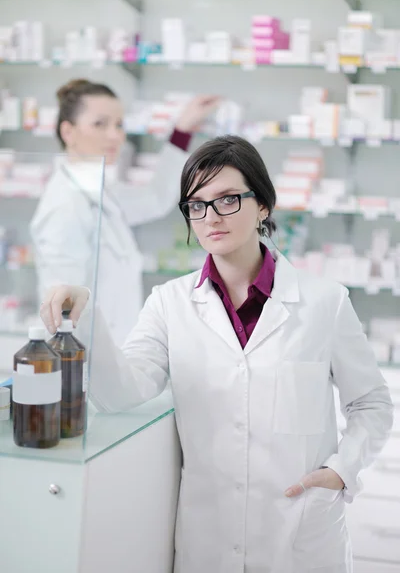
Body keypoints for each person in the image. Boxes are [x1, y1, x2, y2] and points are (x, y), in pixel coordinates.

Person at [40, 135, 393, 573]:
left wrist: (342, 471)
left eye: (228, 200)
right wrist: (85, 312)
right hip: (208, 539)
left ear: (262, 205)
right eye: (197, 204)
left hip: (301, 534)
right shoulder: (169, 303)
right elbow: (120, 393)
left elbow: (371, 403)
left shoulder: (325, 301)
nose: (210, 216)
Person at [30, 78, 220, 344]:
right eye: (100, 124)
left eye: (119, 125)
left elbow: (155, 198)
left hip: (116, 354)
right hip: (85, 363)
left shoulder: (102, 191)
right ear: (68, 132)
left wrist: (183, 129)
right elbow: (62, 310)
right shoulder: (64, 205)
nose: (114, 135)